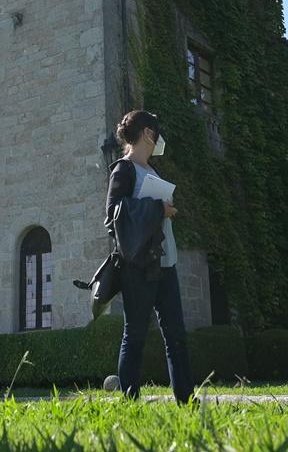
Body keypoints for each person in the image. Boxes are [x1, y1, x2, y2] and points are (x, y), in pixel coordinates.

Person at [106, 110, 194, 404]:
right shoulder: (124, 169)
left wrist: (165, 210)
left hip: (165, 262)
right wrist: (158, 209)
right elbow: (112, 215)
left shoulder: (153, 171)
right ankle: (130, 402)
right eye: (156, 134)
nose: (159, 140)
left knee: (176, 336)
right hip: (138, 266)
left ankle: (186, 401)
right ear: (147, 134)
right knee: (136, 335)